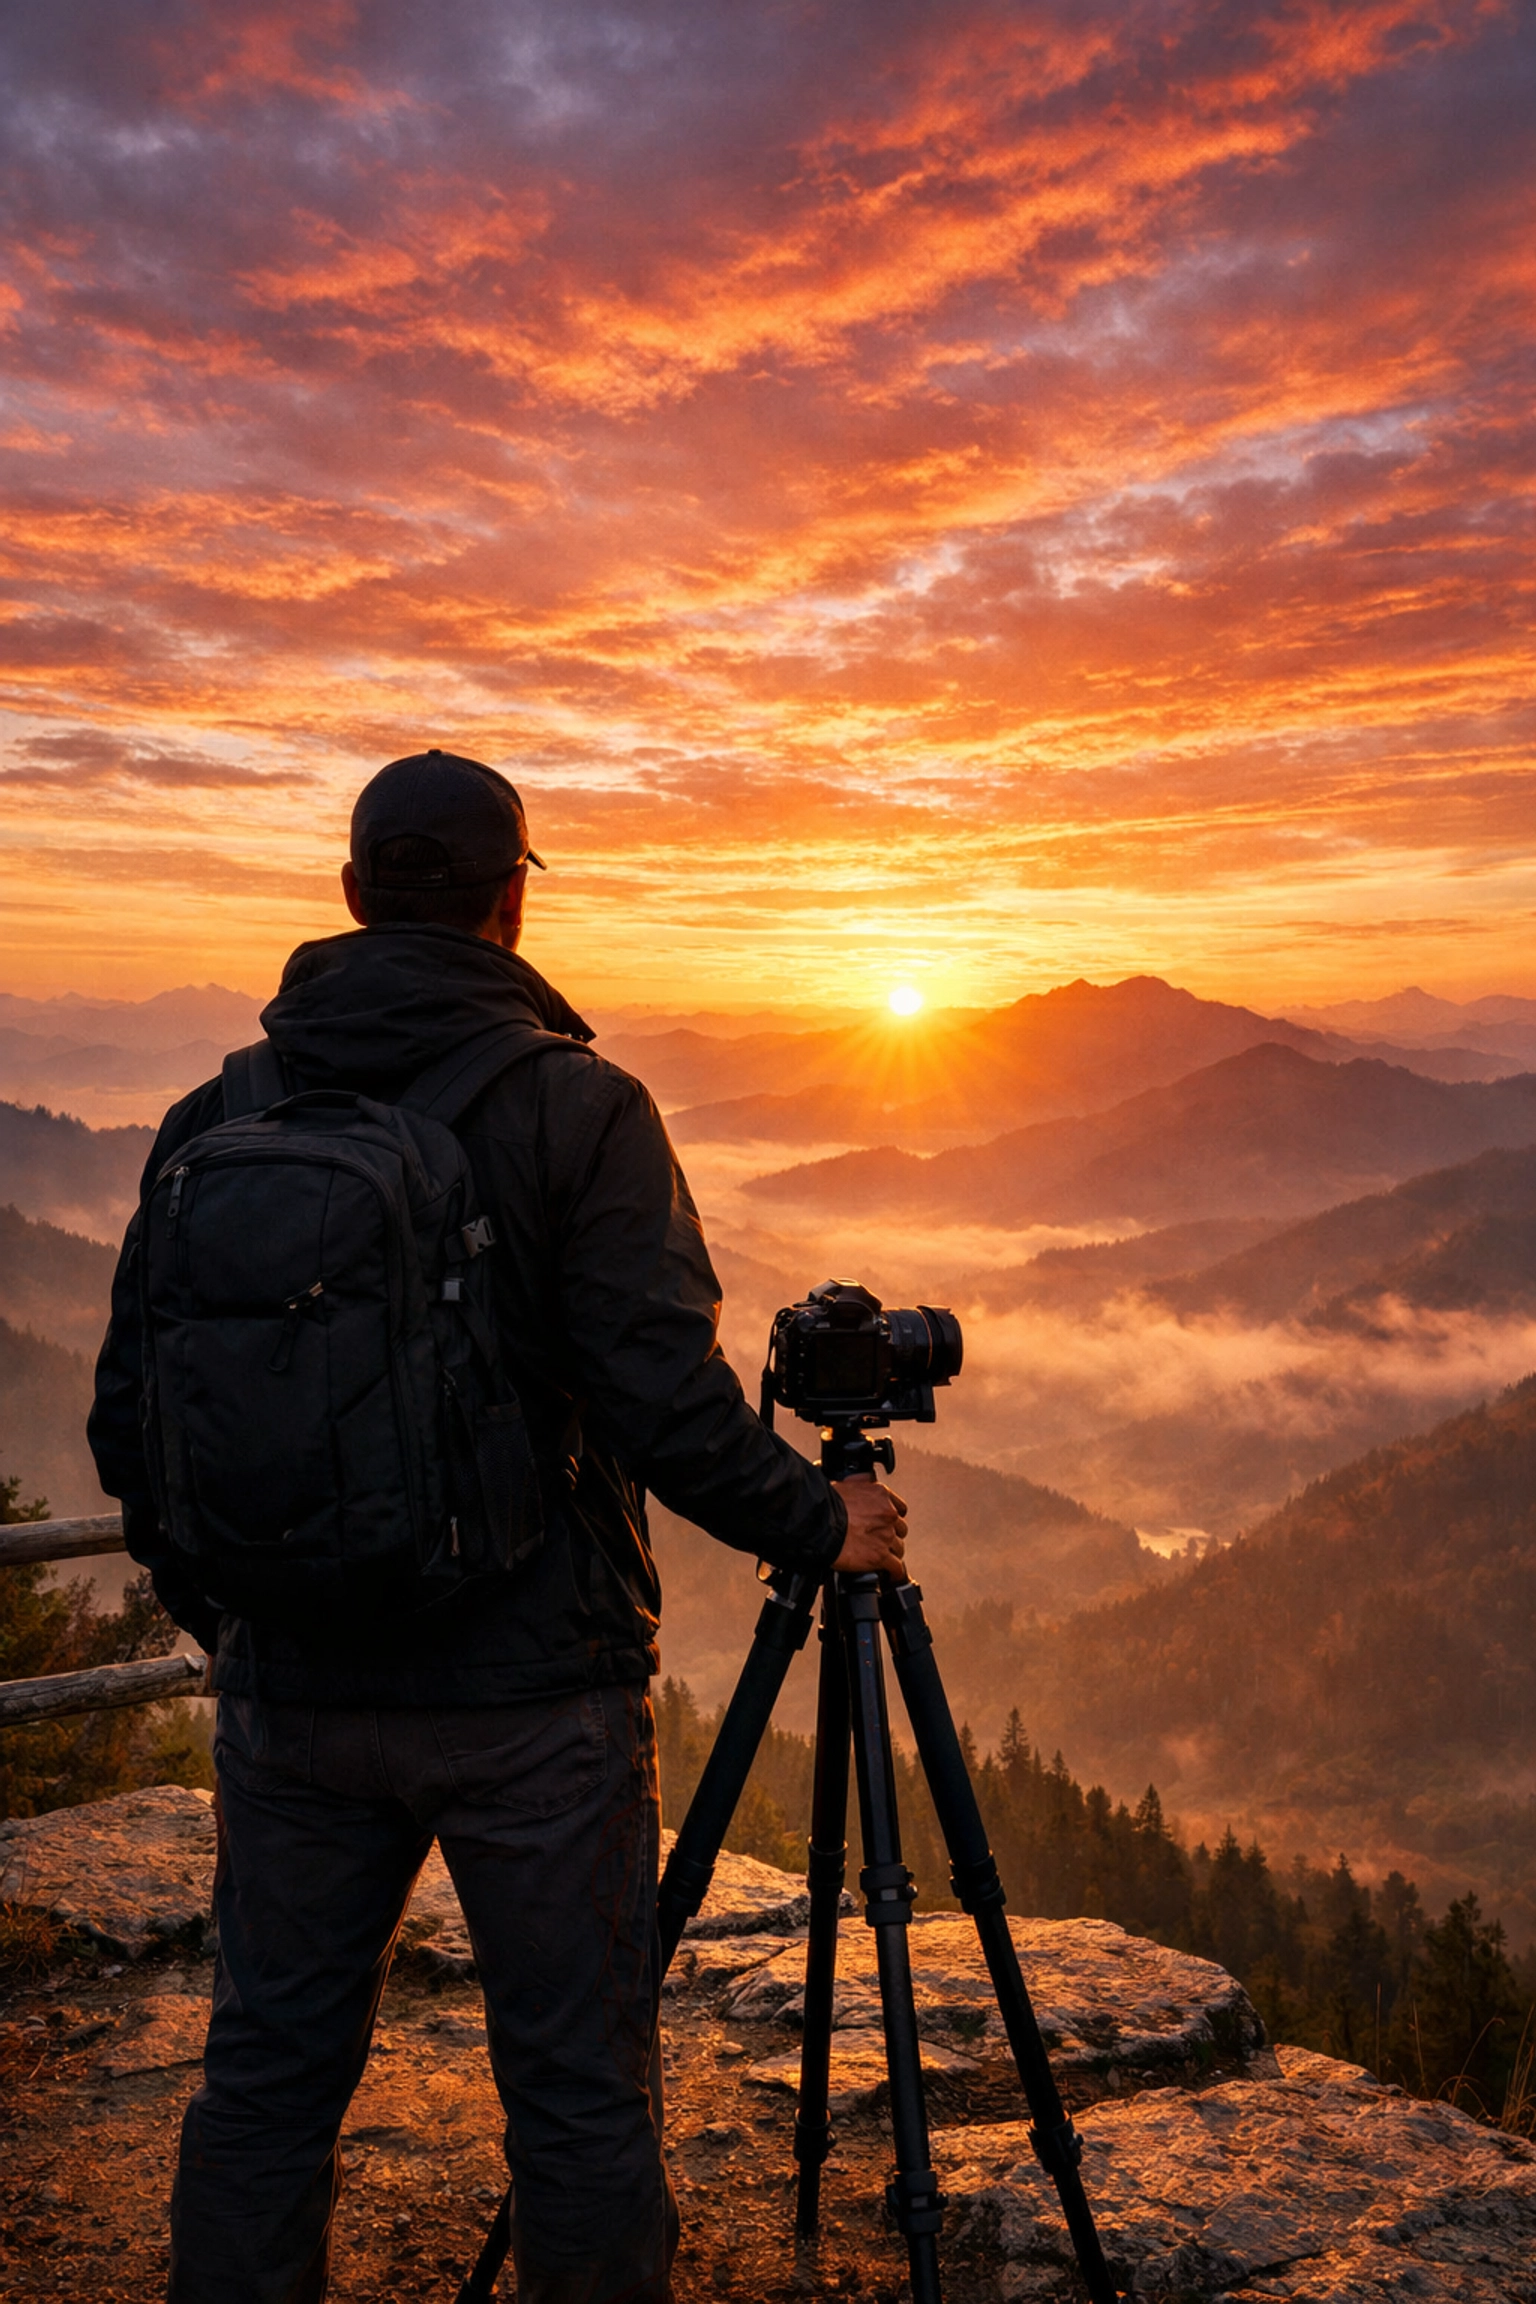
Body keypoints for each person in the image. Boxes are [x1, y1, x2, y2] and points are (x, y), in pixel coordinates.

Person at [88, 750, 909, 2304]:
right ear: (512, 900)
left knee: (264, 2086)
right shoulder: (578, 1106)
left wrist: (251, 1624)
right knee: (578, 2104)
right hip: (536, 1706)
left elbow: (136, 1425)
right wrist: (825, 1522)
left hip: (294, 1700)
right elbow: (663, 1400)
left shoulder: (216, 1112)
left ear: (348, 896)